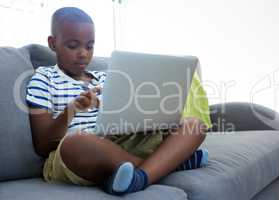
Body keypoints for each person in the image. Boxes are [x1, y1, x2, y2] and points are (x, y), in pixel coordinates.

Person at [26, 7, 212, 195]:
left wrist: (146, 115)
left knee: (194, 125)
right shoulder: (43, 79)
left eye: (89, 46)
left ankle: (135, 177)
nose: (83, 53)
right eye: (73, 46)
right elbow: (43, 144)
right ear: (52, 43)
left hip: (119, 142)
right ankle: (166, 166)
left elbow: (126, 116)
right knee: (78, 141)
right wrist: (72, 109)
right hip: (73, 154)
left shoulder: (106, 77)